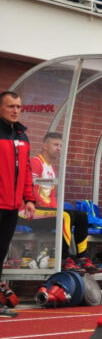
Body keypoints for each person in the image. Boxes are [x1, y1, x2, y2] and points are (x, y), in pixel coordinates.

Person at [30, 132, 98, 274]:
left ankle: (82, 257)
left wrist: (54, 208)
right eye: (55, 144)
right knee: (65, 216)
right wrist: (52, 210)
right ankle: (63, 259)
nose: (59, 148)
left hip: (46, 211)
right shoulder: (36, 162)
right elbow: (33, 190)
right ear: (44, 145)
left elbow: (52, 195)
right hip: (33, 212)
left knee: (81, 216)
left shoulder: (52, 168)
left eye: (61, 145)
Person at [0, 91, 35, 318]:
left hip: (12, 207)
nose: (15, 110)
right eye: (11, 106)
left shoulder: (22, 135)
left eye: (19, 107)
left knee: (0, 253)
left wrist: (29, 199)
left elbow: (27, 171)